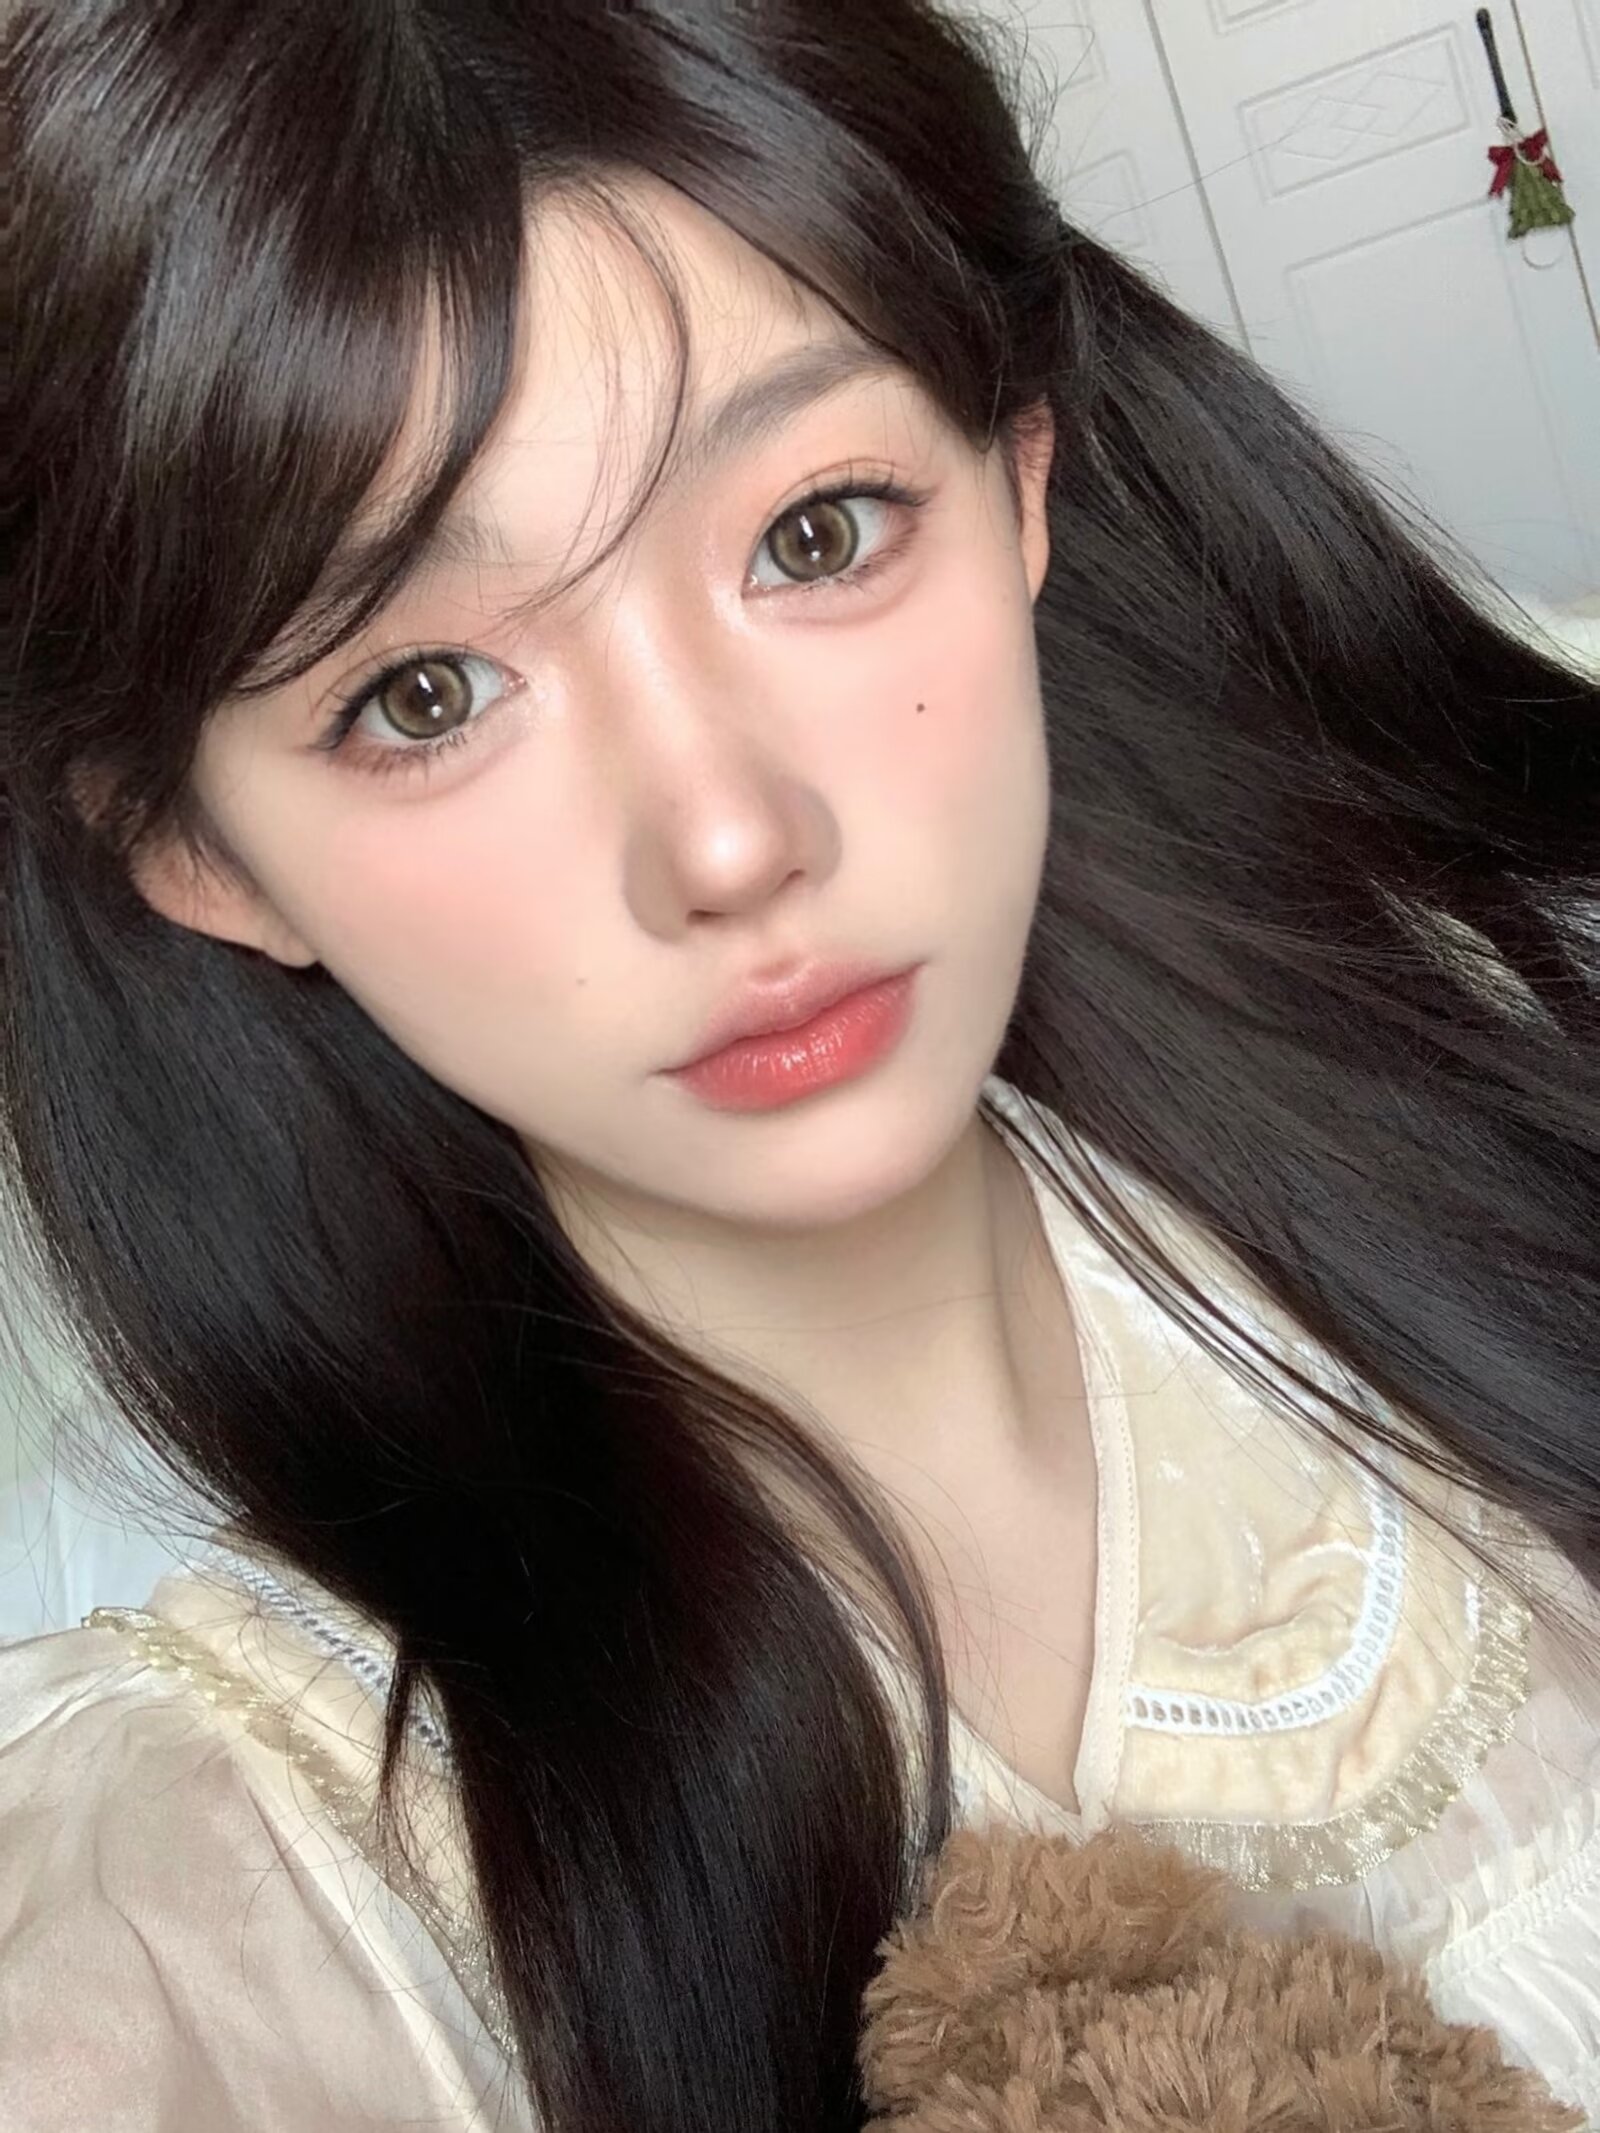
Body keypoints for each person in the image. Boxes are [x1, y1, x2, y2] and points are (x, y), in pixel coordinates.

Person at [2, 3, 1596, 2127]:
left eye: (818, 532)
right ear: (199, 849)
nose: (730, 839)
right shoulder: (249, 1882)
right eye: (423, 692)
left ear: (1016, 483)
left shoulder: (1469, 1120)